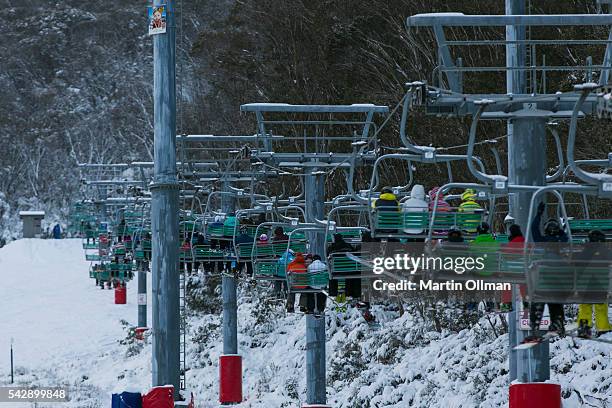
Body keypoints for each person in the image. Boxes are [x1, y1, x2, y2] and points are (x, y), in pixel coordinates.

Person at [528, 202, 568, 337]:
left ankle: (535, 325)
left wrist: (538, 215)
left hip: (544, 283)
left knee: (538, 299)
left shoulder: (542, 241)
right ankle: (558, 323)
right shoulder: (563, 241)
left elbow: (534, 229)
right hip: (560, 284)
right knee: (555, 300)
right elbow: (565, 236)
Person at [576, 230, 611, 338]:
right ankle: (603, 328)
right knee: (601, 307)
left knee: (585, 307)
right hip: (599, 286)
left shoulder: (584, 252)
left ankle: (584, 327)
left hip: (585, 286)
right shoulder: (605, 252)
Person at [500, 224, 526, 310]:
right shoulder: (525, 242)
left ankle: (507, 304)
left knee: (506, 283)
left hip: (511, 273)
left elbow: (505, 258)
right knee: (524, 283)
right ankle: (527, 303)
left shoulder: (511, 244)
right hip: (523, 273)